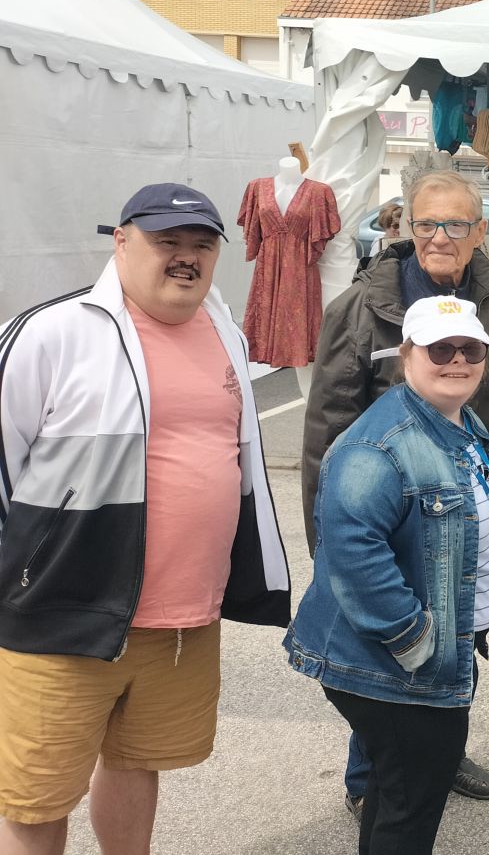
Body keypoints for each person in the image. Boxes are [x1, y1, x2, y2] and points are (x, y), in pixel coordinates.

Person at [0, 183, 291, 855]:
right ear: (121, 242)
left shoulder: (224, 330)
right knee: (36, 795)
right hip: (62, 617)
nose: (186, 257)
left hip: (181, 620)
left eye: (201, 244)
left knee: (137, 761)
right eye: (167, 242)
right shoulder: (54, 331)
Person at [303, 169, 489, 810]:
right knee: (386, 645)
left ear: (480, 232)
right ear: (405, 226)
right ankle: (370, 779)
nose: (440, 237)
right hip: (391, 510)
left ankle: (440, 749)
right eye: (426, 223)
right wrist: (330, 540)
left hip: (460, 506)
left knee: (462, 625)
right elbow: (328, 425)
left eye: (456, 224)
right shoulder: (363, 303)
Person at [287, 296, 489, 855]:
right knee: (412, 804)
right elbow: (351, 552)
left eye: (470, 348)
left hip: (430, 649)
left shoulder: (458, 424)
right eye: (440, 349)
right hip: (395, 661)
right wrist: (416, 640)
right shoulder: (378, 445)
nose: (457, 360)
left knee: (398, 791)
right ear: (407, 355)